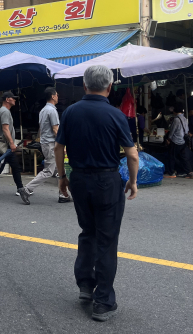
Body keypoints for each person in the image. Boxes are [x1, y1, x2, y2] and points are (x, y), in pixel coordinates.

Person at [54, 65, 139, 322]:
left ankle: (84, 286)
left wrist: (62, 177)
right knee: (106, 239)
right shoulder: (116, 115)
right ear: (110, 87)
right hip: (107, 180)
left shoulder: (70, 111)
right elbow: (132, 154)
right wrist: (133, 181)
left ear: (84, 84)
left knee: (87, 232)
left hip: (78, 179)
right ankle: (102, 301)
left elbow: (59, 148)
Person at [21, 87, 71, 203]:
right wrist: (62, 145)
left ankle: (63, 194)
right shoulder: (52, 110)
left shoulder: (43, 110)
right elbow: (55, 129)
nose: (58, 96)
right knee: (49, 170)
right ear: (53, 96)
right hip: (50, 144)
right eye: (57, 95)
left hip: (45, 143)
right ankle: (27, 189)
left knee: (59, 169)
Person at [165, 103, 193, 179]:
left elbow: (172, 131)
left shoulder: (176, 120)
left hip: (175, 141)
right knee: (184, 157)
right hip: (183, 141)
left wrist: (169, 139)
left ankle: (172, 173)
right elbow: (187, 130)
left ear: (175, 111)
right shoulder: (185, 118)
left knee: (171, 157)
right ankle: (190, 172)